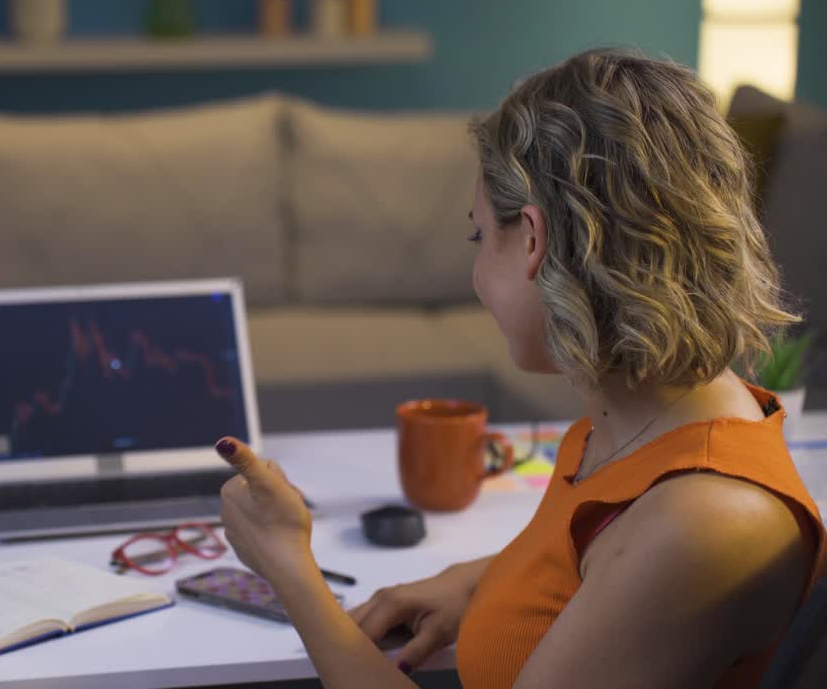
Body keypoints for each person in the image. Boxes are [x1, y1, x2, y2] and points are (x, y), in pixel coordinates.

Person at [215, 48, 826, 689]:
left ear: (532, 239)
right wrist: (473, 582)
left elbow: (643, 556)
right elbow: (588, 564)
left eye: (481, 237)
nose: (478, 279)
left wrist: (289, 569)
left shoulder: (703, 522)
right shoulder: (642, 419)